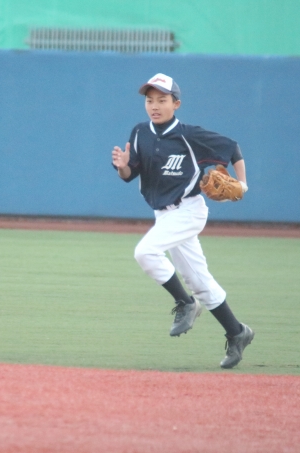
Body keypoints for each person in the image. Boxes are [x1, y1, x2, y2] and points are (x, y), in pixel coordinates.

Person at [111, 73, 254, 369]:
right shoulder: (140, 132)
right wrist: (123, 167)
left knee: (145, 252)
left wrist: (242, 183)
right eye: (150, 100)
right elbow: (129, 175)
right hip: (163, 215)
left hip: (188, 210)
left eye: (162, 100)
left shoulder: (190, 135)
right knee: (199, 281)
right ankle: (237, 332)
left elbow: (232, 148)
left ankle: (186, 303)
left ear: (176, 104)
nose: (155, 105)